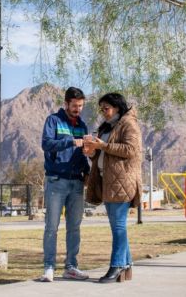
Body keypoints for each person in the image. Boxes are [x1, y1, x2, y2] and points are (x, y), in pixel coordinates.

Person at [83, 92, 142, 283]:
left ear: (117, 107)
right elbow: (103, 153)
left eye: (106, 108)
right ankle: (126, 266)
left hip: (122, 183)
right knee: (118, 227)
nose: (103, 113)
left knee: (118, 227)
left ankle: (116, 266)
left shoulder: (128, 124)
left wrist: (104, 145)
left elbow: (131, 150)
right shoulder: (107, 126)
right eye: (101, 109)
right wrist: (91, 152)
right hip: (107, 182)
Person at [40, 86, 90, 282]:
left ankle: (71, 267)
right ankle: (49, 267)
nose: (78, 109)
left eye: (80, 106)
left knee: (74, 227)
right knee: (51, 226)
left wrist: (87, 171)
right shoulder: (53, 120)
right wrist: (71, 141)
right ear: (66, 103)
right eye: (75, 105)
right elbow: (46, 144)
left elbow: (82, 153)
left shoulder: (83, 126)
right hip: (56, 181)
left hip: (77, 183)